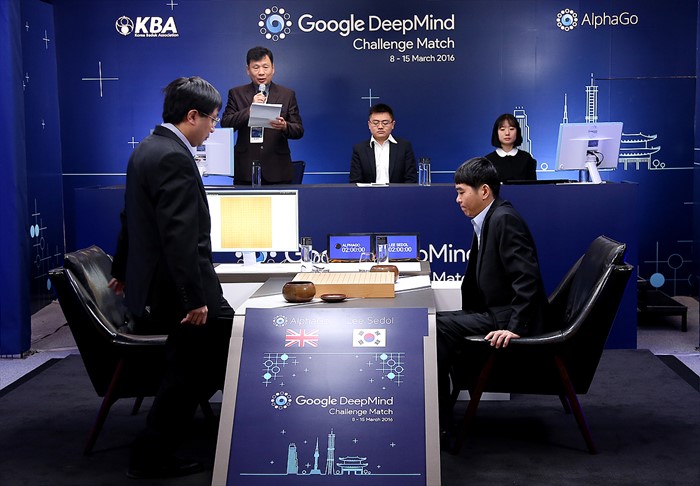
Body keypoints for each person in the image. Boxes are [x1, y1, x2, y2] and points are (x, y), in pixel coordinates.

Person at [109, 76, 234, 479]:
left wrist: (120, 270)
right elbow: (180, 236)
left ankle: (225, 424)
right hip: (177, 293)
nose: (213, 128)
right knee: (199, 360)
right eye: (212, 119)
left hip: (160, 287)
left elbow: (131, 217)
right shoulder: (173, 157)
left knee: (211, 352)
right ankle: (152, 456)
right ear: (192, 115)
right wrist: (192, 298)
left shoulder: (146, 149)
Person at [436, 157, 549, 443]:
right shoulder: (489, 218)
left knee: (436, 329)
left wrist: (516, 327)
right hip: (494, 311)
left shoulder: (504, 219)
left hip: (506, 318)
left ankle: (441, 424)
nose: (457, 199)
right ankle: (438, 414)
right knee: (431, 324)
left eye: (461, 192)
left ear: (484, 191)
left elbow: (527, 278)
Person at [221, 46, 304, 185]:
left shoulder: (287, 95)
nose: (261, 72)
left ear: (273, 68)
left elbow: (299, 130)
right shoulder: (236, 93)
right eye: (256, 67)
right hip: (245, 169)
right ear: (248, 70)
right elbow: (226, 124)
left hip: (278, 169)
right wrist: (250, 110)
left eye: (265, 67)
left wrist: (285, 126)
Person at [349, 103, 417, 184]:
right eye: (375, 123)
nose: (380, 127)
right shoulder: (360, 149)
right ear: (369, 125)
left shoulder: (404, 147)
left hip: (397, 192)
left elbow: (411, 180)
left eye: (385, 123)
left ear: (393, 124)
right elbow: (355, 182)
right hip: (368, 192)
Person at [484, 113, 537, 182]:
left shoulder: (527, 158)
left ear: (517, 132)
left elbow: (533, 186)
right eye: (502, 129)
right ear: (496, 133)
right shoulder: (488, 161)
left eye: (511, 129)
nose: (507, 133)